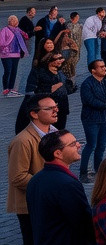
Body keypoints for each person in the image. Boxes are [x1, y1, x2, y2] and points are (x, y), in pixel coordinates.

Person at [8, 94, 60, 244]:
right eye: (50, 108)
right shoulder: (22, 141)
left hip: (49, 201)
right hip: (31, 206)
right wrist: (51, 183)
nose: (56, 110)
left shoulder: (55, 133)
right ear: (34, 114)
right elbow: (18, 177)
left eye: (56, 106)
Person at [29, 130, 96, 243]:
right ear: (58, 154)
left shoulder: (35, 179)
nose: (79, 145)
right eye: (73, 144)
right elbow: (83, 223)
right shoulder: (67, 184)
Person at [79, 58, 106, 181]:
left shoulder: (105, 82)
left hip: (104, 118)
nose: (104, 68)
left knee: (101, 145)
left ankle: (98, 170)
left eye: (104, 66)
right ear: (93, 71)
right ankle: (83, 172)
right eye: (101, 67)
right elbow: (89, 101)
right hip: (91, 118)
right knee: (91, 145)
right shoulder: (87, 84)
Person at [28, 50, 74, 129]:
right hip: (49, 109)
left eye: (61, 58)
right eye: (58, 59)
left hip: (62, 108)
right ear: (49, 61)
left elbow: (68, 88)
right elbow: (40, 91)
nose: (61, 60)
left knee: (60, 129)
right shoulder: (43, 74)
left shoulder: (60, 73)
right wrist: (56, 86)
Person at [1, 15, 29, 96]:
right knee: (8, 71)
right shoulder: (4, 30)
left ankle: (11, 89)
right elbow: (1, 42)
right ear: (10, 22)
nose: (16, 22)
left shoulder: (18, 30)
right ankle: (5, 88)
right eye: (14, 20)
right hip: (6, 54)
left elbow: (26, 36)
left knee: (14, 71)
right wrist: (5, 48)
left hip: (16, 54)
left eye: (17, 20)